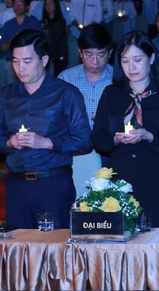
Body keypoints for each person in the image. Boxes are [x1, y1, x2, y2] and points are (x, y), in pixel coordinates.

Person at [0, 29, 91, 229]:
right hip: (16, 184)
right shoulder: (7, 94)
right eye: (15, 61)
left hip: (52, 183)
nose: (20, 68)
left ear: (44, 61)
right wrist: (9, 142)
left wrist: (46, 143)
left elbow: (84, 140)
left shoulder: (65, 93)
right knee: (21, 251)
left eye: (27, 61)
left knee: (54, 251)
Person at [91, 31, 159, 229]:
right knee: (120, 240)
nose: (131, 67)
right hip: (119, 175)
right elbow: (98, 139)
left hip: (154, 176)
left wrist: (149, 136)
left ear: (150, 58)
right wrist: (115, 139)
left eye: (137, 59)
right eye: (125, 61)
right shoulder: (111, 94)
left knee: (157, 242)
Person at [58, 23, 113, 196]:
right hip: (74, 150)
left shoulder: (119, 78)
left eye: (101, 55)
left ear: (110, 53)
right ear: (80, 53)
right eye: (89, 54)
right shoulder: (66, 79)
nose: (95, 61)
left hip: (109, 150)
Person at [40, 0, 69, 75]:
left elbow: (57, 37)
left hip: (59, 53)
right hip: (46, 54)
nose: (48, 6)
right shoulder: (43, 22)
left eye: (50, 4)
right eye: (46, 4)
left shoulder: (61, 21)